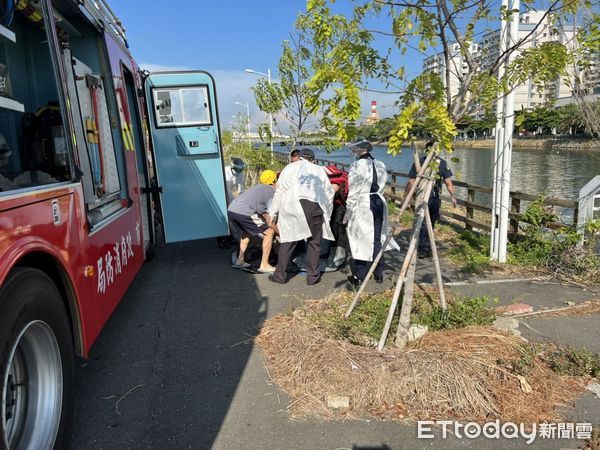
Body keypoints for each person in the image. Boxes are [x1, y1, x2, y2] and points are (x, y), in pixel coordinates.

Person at [267, 148, 334, 285]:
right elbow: (328, 193)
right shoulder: (319, 169)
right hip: (313, 206)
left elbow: (279, 191)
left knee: (288, 240)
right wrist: (327, 213)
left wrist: (272, 212)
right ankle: (312, 277)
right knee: (314, 242)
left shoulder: (288, 168)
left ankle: (280, 276)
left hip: (290, 206)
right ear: (313, 159)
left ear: (299, 157)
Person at [345, 139, 399, 286]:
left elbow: (354, 188)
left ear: (358, 150)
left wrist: (349, 207)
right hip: (379, 201)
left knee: (360, 238)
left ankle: (359, 275)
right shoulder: (380, 164)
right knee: (377, 238)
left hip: (363, 203)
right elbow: (382, 183)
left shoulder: (357, 165)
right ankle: (378, 272)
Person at [404, 141, 457, 259]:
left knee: (427, 222)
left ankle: (425, 246)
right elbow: (412, 181)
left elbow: (448, 182)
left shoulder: (435, 163)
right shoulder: (428, 163)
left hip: (430, 196)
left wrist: (453, 196)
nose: (437, 152)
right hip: (427, 195)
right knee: (425, 222)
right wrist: (406, 196)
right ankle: (424, 248)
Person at [227, 170, 278, 273]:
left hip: (232, 210)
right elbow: (267, 218)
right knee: (269, 232)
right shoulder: (270, 191)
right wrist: (278, 232)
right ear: (274, 182)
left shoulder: (258, 187)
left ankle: (240, 260)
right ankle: (264, 264)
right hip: (244, 211)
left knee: (247, 232)